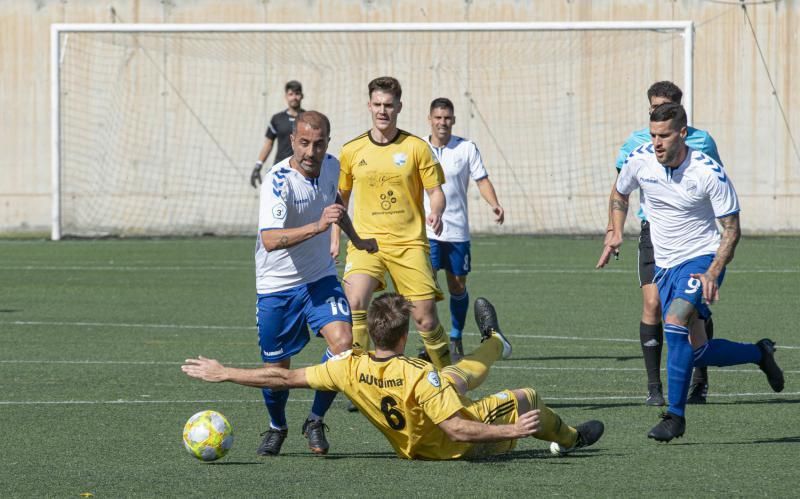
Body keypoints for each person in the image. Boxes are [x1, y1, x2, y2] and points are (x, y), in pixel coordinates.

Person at [183, 295, 605, 460]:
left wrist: (225, 373)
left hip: (410, 440)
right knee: (526, 395)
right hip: (448, 449)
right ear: (405, 336)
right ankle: (569, 439)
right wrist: (513, 427)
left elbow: (282, 379)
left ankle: (496, 341)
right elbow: (456, 428)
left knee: (456, 376)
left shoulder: (347, 366)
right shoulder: (419, 372)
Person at [597, 103, 784, 442]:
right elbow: (621, 191)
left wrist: (713, 272)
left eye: (664, 135)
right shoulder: (639, 159)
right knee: (697, 350)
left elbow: (731, 229)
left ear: (682, 133)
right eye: (653, 134)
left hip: (701, 259)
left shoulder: (707, 172)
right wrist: (615, 228)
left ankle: (675, 416)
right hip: (665, 263)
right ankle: (759, 353)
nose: (657, 142)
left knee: (674, 320)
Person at [253, 110, 377, 456]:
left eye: (318, 144)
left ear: (327, 143)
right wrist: (318, 229)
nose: (311, 151)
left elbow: (333, 204)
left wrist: (357, 238)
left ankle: (315, 419)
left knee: (343, 344)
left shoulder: (333, 166)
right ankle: (277, 426)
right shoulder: (277, 182)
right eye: (304, 143)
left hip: (320, 277)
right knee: (276, 372)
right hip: (277, 285)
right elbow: (270, 239)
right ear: (292, 141)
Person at [604, 81, 724, 406]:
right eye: (653, 108)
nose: (658, 115)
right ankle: (654, 386)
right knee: (653, 305)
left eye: (665, 107)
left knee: (692, 315)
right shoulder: (637, 143)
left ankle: (699, 381)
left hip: (693, 239)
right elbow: (621, 188)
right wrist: (614, 230)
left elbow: (716, 186)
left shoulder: (702, 142)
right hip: (653, 235)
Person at [336, 76, 451, 369]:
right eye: (377, 104)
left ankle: (448, 379)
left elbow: (436, 192)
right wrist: (335, 236)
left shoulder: (416, 147)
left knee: (425, 317)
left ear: (399, 106)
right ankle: (361, 378)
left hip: (408, 243)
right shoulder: (352, 150)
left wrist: (436, 211)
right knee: (355, 303)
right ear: (369, 105)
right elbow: (341, 199)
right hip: (366, 243)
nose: (382, 111)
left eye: (388, 105)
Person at [423, 97, 504, 361]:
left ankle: (456, 336)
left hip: (457, 231)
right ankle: (432, 341)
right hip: (427, 232)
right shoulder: (419, 148)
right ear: (430, 119)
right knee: (425, 287)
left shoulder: (466, 148)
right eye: (438, 117)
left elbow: (482, 180)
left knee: (456, 286)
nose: (442, 122)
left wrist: (494, 204)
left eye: (447, 118)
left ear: (453, 120)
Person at [251, 80, 305, 188]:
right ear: (286, 97)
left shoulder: (308, 118)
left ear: (302, 96)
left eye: (297, 94)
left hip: (302, 171)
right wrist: (258, 165)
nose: (294, 97)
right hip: (280, 170)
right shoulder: (277, 119)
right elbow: (268, 144)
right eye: (291, 94)